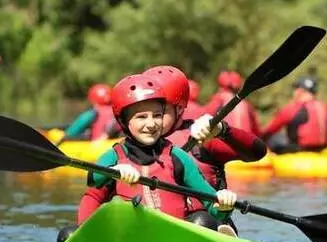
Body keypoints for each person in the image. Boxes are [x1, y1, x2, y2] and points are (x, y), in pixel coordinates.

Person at [73, 72, 238, 232]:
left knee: (203, 221)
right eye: (141, 117)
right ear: (123, 121)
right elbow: (92, 182)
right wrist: (112, 172)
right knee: (67, 235)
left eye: (157, 115)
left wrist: (223, 205)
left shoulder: (177, 157)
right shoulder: (115, 157)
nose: (151, 124)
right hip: (128, 239)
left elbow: (211, 204)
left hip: (172, 240)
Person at [150, 66, 266, 236]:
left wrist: (222, 130)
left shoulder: (202, 139)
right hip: (161, 226)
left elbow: (257, 152)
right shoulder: (131, 146)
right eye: (144, 111)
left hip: (210, 224)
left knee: (201, 221)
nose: (152, 121)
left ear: (180, 109)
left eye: (159, 112)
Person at [259, 76, 327, 153]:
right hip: (322, 149)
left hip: (300, 150)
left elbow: (269, 131)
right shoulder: (325, 107)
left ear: (300, 91)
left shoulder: (294, 108)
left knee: (274, 138)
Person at [203, 70, 260, 135]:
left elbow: (204, 117)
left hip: (225, 139)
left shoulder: (220, 97)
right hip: (245, 141)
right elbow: (256, 130)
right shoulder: (246, 104)